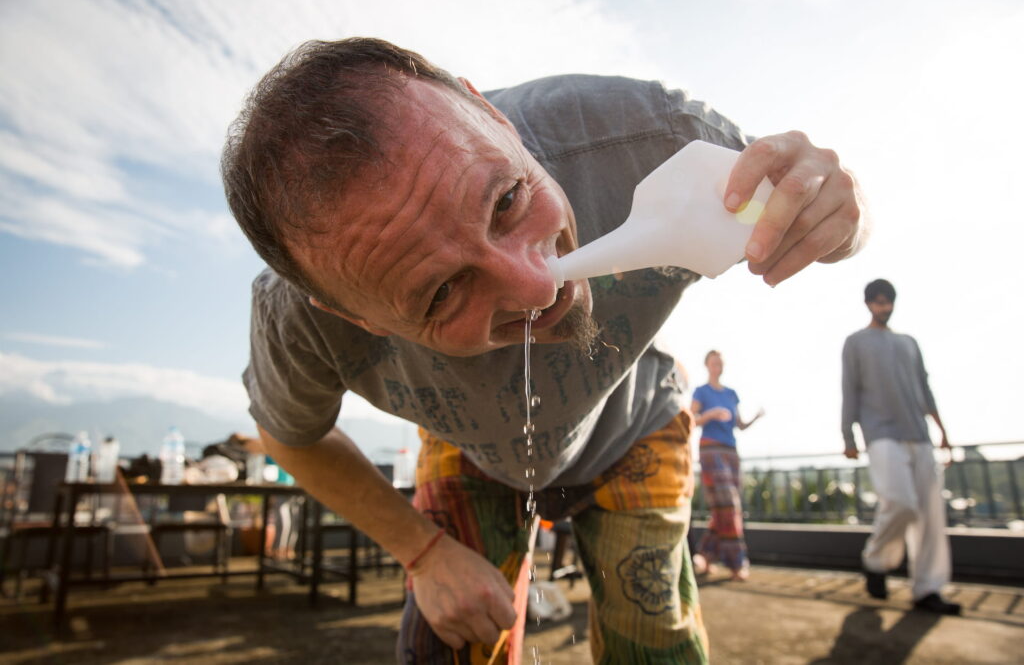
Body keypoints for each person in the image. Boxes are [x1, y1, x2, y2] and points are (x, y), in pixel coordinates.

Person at [221, 37, 867, 663]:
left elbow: (826, 216)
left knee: (653, 637)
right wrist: (423, 553)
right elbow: (289, 434)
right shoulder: (298, 322)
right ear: (351, 315)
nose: (538, 286)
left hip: (637, 417)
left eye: (506, 199)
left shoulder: (652, 140)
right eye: (441, 291)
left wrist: (842, 213)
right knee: (452, 644)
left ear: (491, 114)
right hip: (469, 447)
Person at [841, 279, 960, 615]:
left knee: (930, 516)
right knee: (901, 503)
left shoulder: (909, 342)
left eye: (888, 301)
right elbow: (850, 390)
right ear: (868, 304)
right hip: (881, 435)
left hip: (919, 435)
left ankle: (928, 589)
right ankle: (876, 561)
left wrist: (943, 432)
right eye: (878, 301)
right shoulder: (856, 342)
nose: (884, 307)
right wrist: (848, 438)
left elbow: (925, 389)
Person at [690, 350, 764, 581]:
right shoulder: (701, 392)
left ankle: (704, 555)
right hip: (710, 450)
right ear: (707, 366)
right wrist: (710, 414)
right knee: (729, 506)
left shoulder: (732, 394)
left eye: (720, 364)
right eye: (713, 363)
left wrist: (756, 418)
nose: (717, 367)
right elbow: (690, 420)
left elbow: (739, 424)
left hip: (731, 451)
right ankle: (737, 562)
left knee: (725, 508)